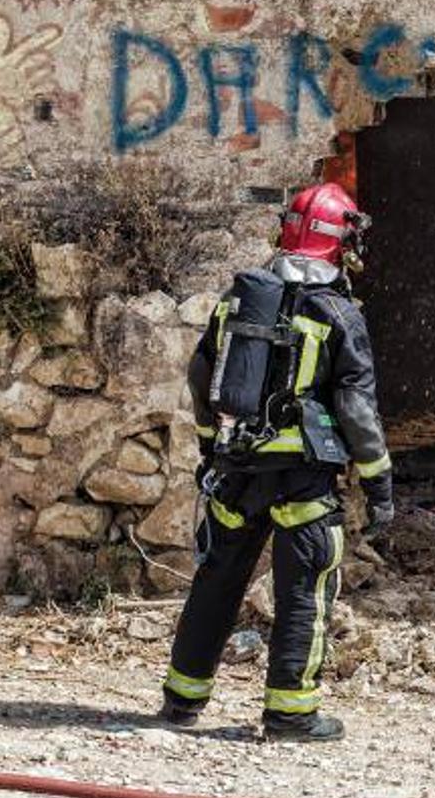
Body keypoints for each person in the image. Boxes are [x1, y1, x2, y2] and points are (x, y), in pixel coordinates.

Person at [158, 182, 394, 742]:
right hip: (302, 480)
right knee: (304, 589)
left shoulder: (238, 301)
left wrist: (209, 446)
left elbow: (200, 377)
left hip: (236, 469)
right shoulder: (340, 315)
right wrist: (379, 483)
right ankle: (291, 714)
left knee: (216, 579)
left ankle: (181, 700)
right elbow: (356, 410)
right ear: (342, 245)